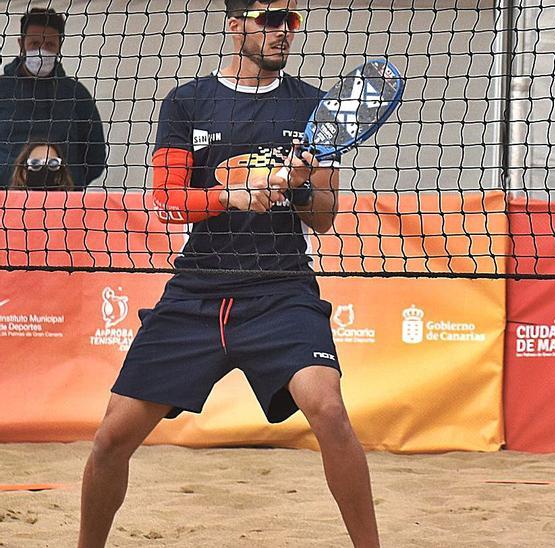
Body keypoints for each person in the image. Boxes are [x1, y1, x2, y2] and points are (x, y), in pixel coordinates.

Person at [77, 2, 378, 547]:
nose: (283, 32)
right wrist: (232, 196)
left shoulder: (314, 108)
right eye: (270, 20)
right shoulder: (188, 101)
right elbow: (168, 201)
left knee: (329, 411)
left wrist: (302, 186)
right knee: (110, 441)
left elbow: (326, 217)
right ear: (235, 24)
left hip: (281, 289)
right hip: (198, 289)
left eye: (291, 22)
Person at [0, 8, 106, 189]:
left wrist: (68, 182)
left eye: (49, 44)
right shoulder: (2, 90)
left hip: (64, 205)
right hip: (6, 203)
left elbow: (95, 159)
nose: (41, 51)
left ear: (60, 45)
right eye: (34, 43)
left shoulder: (76, 95)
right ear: (21, 43)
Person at [8, 141, 74, 190]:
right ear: (23, 173)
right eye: (35, 163)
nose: (44, 167)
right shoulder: (9, 205)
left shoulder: (72, 205)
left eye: (52, 163)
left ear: (59, 174)